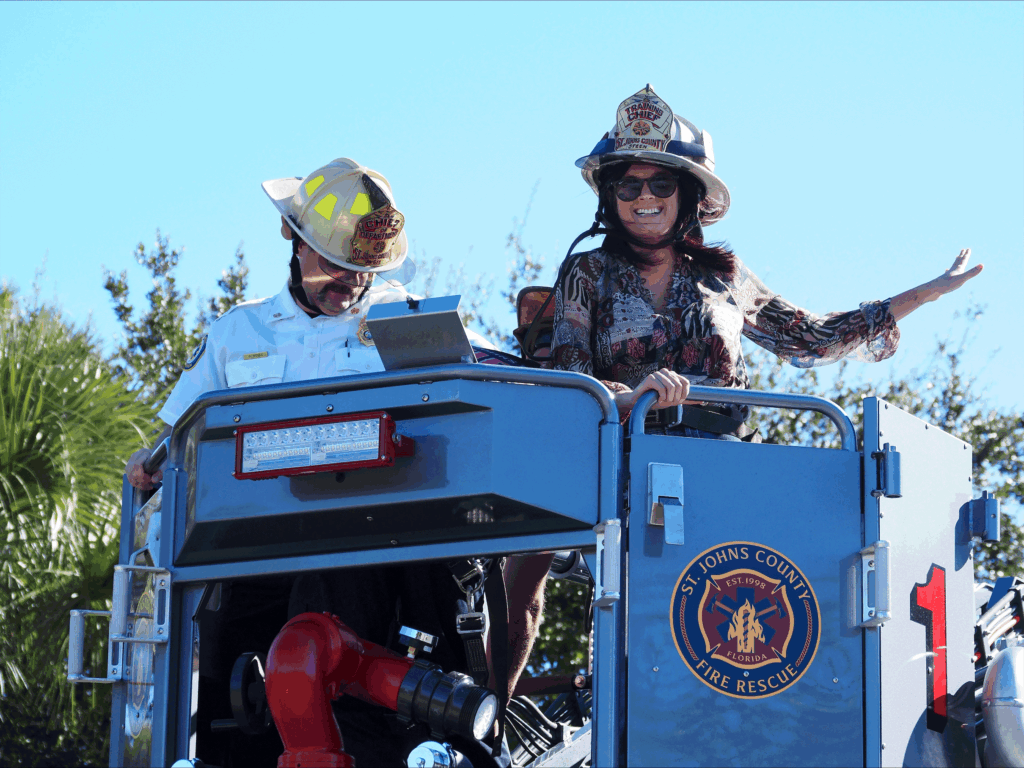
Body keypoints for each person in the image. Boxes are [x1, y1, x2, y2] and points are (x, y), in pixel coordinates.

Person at [123, 158, 545, 766]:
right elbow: (174, 447)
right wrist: (149, 464)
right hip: (256, 563)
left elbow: (490, 399)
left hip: (390, 556)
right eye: (332, 262)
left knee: (402, 723)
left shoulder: (412, 321)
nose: (348, 281)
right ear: (292, 241)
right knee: (233, 724)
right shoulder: (237, 333)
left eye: (361, 267)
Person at [551, 86, 983, 437]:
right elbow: (573, 383)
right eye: (628, 186)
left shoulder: (725, 276)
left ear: (687, 195)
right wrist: (634, 398)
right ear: (611, 197)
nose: (645, 196)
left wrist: (926, 294)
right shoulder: (586, 272)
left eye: (661, 183)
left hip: (728, 462)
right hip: (621, 462)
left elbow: (813, 338)